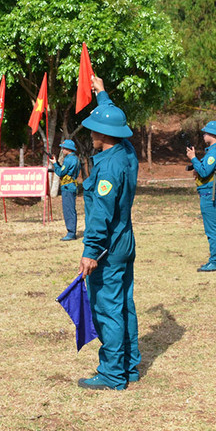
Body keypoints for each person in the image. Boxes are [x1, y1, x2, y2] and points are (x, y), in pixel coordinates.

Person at [76, 74, 140, 391]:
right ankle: (129, 366)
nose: (90, 133)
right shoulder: (127, 151)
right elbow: (116, 119)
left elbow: (100, 216)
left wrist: (90, 252)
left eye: (93, 129)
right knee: (125, 304)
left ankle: (113, 374)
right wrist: (102, 94)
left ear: (104, 133)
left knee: (108, 309)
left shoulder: (108, 168)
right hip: (125, 240)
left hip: (108, 247)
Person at [186, 121, 216, 272]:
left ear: (212, 134)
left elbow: (204, 172)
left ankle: (215, 262)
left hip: (210, 194)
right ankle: (215, 259)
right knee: (215, 227)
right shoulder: (213, 151)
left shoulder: (215, 152)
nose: (203, 135)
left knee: (212, 229)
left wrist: (193, 158)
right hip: (210, 192)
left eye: (205, 132)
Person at [49, 139, 81, 241]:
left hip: (67, 187)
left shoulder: (68, 159)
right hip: (71, 186)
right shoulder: (75, 158)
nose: (62, 150)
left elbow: (61, 173)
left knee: (68, 210)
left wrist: (54, 164)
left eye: (63, 148)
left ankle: (71, 233)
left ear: (68, 149)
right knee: (71, 209)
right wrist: (57, 163)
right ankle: (72, 232)